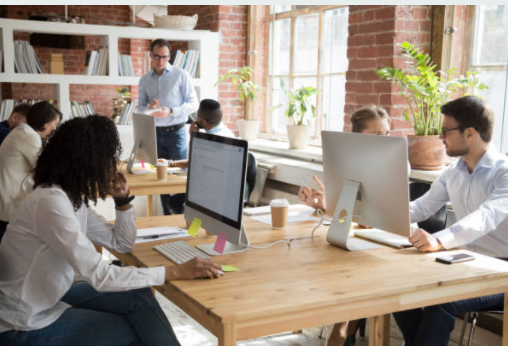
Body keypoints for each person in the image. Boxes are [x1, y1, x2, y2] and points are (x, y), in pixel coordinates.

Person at [0, 115, 222, 346]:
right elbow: (99, 276)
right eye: (108, 158)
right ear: (88, 161)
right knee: (136, 328)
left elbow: (122, 245)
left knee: (138, 296)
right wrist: (173, 272)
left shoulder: (71, 197)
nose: (112, 164)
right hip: (20, 323)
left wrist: (122, 200)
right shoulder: (51, 202)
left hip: (47, 298)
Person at [392, 96, 508, 346]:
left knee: (443, 300)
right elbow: (421, 208)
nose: (440, 138)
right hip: (461, 264)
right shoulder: (452, 172)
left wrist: (439, 239)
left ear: (470, 133)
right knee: (396, 286)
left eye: (445, 131)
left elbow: (486, 215)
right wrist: (370, 212)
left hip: (501, 271)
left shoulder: (504, 172)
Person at [299, 105, 391, 346]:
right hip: (359, 233)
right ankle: (344, 328)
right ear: (356, 137)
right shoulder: (347, 163)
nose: (384, 141)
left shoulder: (396, 163)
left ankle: (342, 329)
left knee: (349, 265)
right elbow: (346, 211)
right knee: (323, 255)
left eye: (387, 134)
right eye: (377, 135)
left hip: (387, 236)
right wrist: (320, 204)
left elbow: (384, 213)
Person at [138, 38, 199, 215]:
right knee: (160, 179)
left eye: (165, 57)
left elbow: (193, 104)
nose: (161, 61)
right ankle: (167, 219)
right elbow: (140, 108)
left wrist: (171, 111)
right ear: (151, 55)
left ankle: (185, 220)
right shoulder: (144, 80)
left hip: (176, 133)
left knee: (182, 178)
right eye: (157, 57)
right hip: (154, 134)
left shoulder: (181, 75)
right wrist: (149, 108)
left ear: (169, 56)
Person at [0, 101, 62, 241]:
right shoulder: (29, 136)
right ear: (45, 121)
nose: (55, 128)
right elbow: (46, 169)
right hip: (10, 206)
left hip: (7, 202)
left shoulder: (22, 132)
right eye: (55, 123)